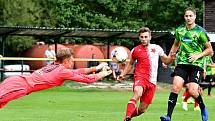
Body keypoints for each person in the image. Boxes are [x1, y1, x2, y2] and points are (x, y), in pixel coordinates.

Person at [0, 48, 112, 108]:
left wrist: (96, 68)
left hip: (16, 81)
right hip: (19, 86)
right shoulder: (62, 71)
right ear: (66, 61)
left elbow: (75, 72)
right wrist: (103, 73)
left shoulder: (54, 65)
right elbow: (88, 80)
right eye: (72, 60)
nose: (73, 62)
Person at [160, 7, 213, 121]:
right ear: (184, 17)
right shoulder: (180, 30)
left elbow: (210, 50)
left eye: (190, 16)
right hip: (182, 63)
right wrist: (170, 57)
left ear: (195, 17)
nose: (188, 18)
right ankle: (168, 116)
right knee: (175, 87)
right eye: (186, 16)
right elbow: (175, 44)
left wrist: (197, 56)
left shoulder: (200, 31)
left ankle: (203, 107)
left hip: (196, 64)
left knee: (193, 91)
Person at [117, 27, 174, 121]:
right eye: (142, 37)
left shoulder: (156, 48)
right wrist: (123, 74)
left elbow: (166, 61)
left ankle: (128, 117)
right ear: (139, 38)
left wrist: (171, 58)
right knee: (137, 93)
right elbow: (130, 63)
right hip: (140, 77)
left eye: (146, 37)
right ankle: (127, 116)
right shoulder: (135, 50)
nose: (144, 39)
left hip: (152, 82)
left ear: (150, 37)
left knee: (142, 109)